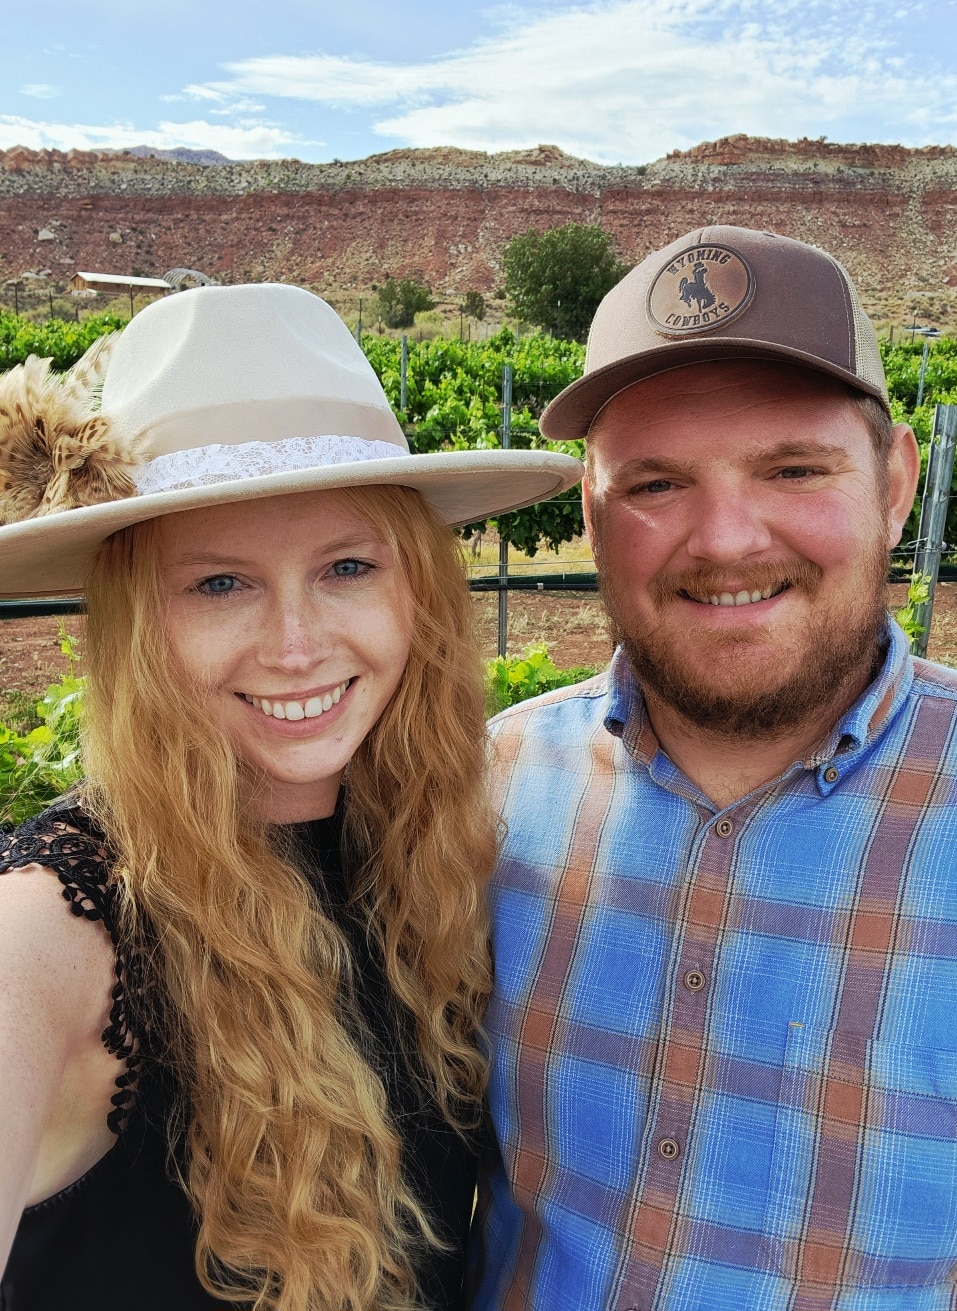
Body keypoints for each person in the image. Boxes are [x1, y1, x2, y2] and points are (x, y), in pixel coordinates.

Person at [0, 283, 581, 1311]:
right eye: (218, 583)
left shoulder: (435, 860)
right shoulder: (56, 925)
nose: (297, 645)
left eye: (347, 566)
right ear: (136, 626)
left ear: (415, 591)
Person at [470, 226, 957, 1310]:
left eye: (792, 470)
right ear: (591, 516)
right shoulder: (493, 787)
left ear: (895, 482)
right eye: (656, 484)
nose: (723, 540)